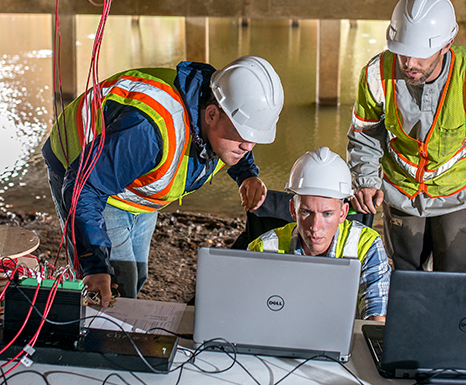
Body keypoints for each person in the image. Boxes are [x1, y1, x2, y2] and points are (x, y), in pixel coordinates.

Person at [43, 56, 284, 307]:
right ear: (211, 114)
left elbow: (240, 139)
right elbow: (84, 187)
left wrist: (247, 173)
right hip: (86, 175)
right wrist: (92, 264)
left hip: (131, 180)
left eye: (254, 138)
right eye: (243, 136)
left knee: (136, 276)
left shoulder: (222, 122)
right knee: (113, 284)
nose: (247, 146)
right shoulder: (150, 130)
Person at [347, 0, 466, 272]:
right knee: (406, 280)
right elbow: (365, 132)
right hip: (401, 193)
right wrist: (365, 179)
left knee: (454, 282)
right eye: (402, 52)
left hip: (461, 194)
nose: (409, 64)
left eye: (419, 54)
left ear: (446, 45)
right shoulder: (377, 72)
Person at [248, 147, 390, 321]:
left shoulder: (366, 245)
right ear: (293, 210)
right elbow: (250, 312)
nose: (315, 227)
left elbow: (376, 318)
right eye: (307, 212)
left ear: (343, 213)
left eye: (327, 214)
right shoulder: (263, 248)